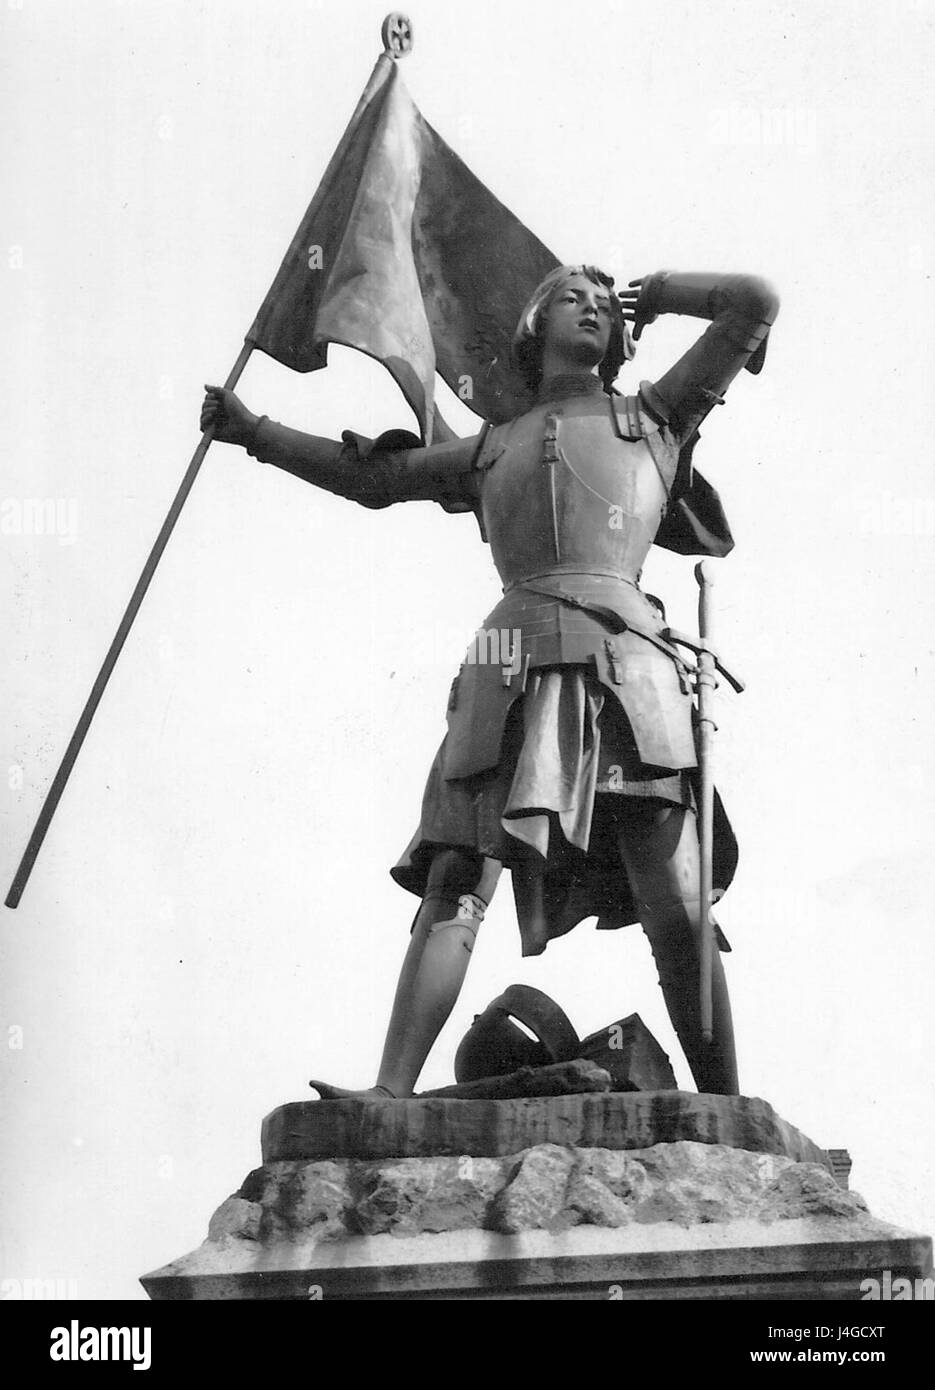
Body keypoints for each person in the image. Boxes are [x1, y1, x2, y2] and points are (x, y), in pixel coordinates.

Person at [201, 265, 779, 1097]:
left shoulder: (654, 418)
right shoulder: (491, 446)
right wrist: (254, 430)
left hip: (630, 670)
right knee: (454, 878)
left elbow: (752, 305)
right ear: (533, 324)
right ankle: (389, 1095)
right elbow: (373, 478)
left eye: (599, 300)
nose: (588, 305)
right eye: (568, 295)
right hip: (505, 668)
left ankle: (725, 1107)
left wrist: (658, 294)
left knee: (677, 903)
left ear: (619, 334)